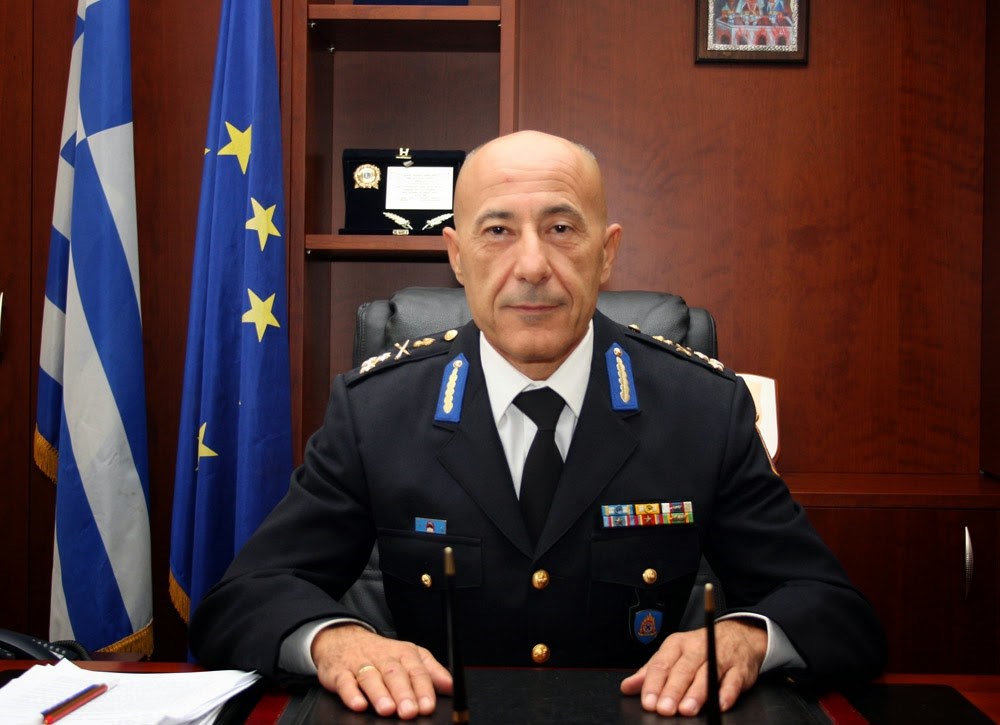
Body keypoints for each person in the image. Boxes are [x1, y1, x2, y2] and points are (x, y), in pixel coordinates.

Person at [190, 130, 886, 719]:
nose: (531, 266)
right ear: (456, 255)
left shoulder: (702, 408)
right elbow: (242, 600)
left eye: (561, 229)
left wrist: (748, 636)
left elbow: (836, 611)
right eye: (497, 231)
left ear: (606, 252)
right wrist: (334, 639)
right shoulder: (376, 412)